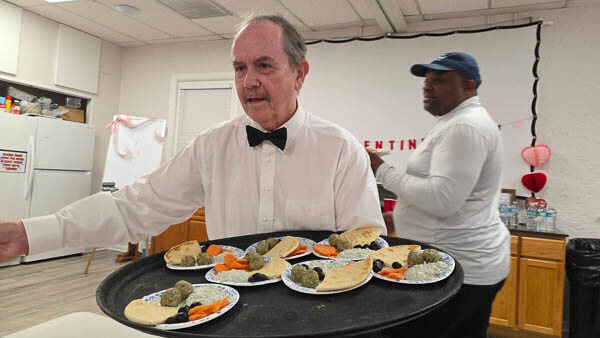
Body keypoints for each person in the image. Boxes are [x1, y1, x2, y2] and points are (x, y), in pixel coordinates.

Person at [0, 14, 385, 263]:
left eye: (264, 66)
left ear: (300, 74)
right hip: (228, 312)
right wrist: (29, 233)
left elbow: (366, 248)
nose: (249, 81)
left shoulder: (341, 150)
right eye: (240, 68)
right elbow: (132, 207)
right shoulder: (210, 147)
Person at [368, 52, 510, 338]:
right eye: (426, 81)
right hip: (461, 263)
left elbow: (442, 200)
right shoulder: (457, 122)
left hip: (461, 269)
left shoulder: (463, 127)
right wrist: (398, 214)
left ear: (468, 86)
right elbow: (447, 193)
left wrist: (380, 169)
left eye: (440, 80)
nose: (427, 87)